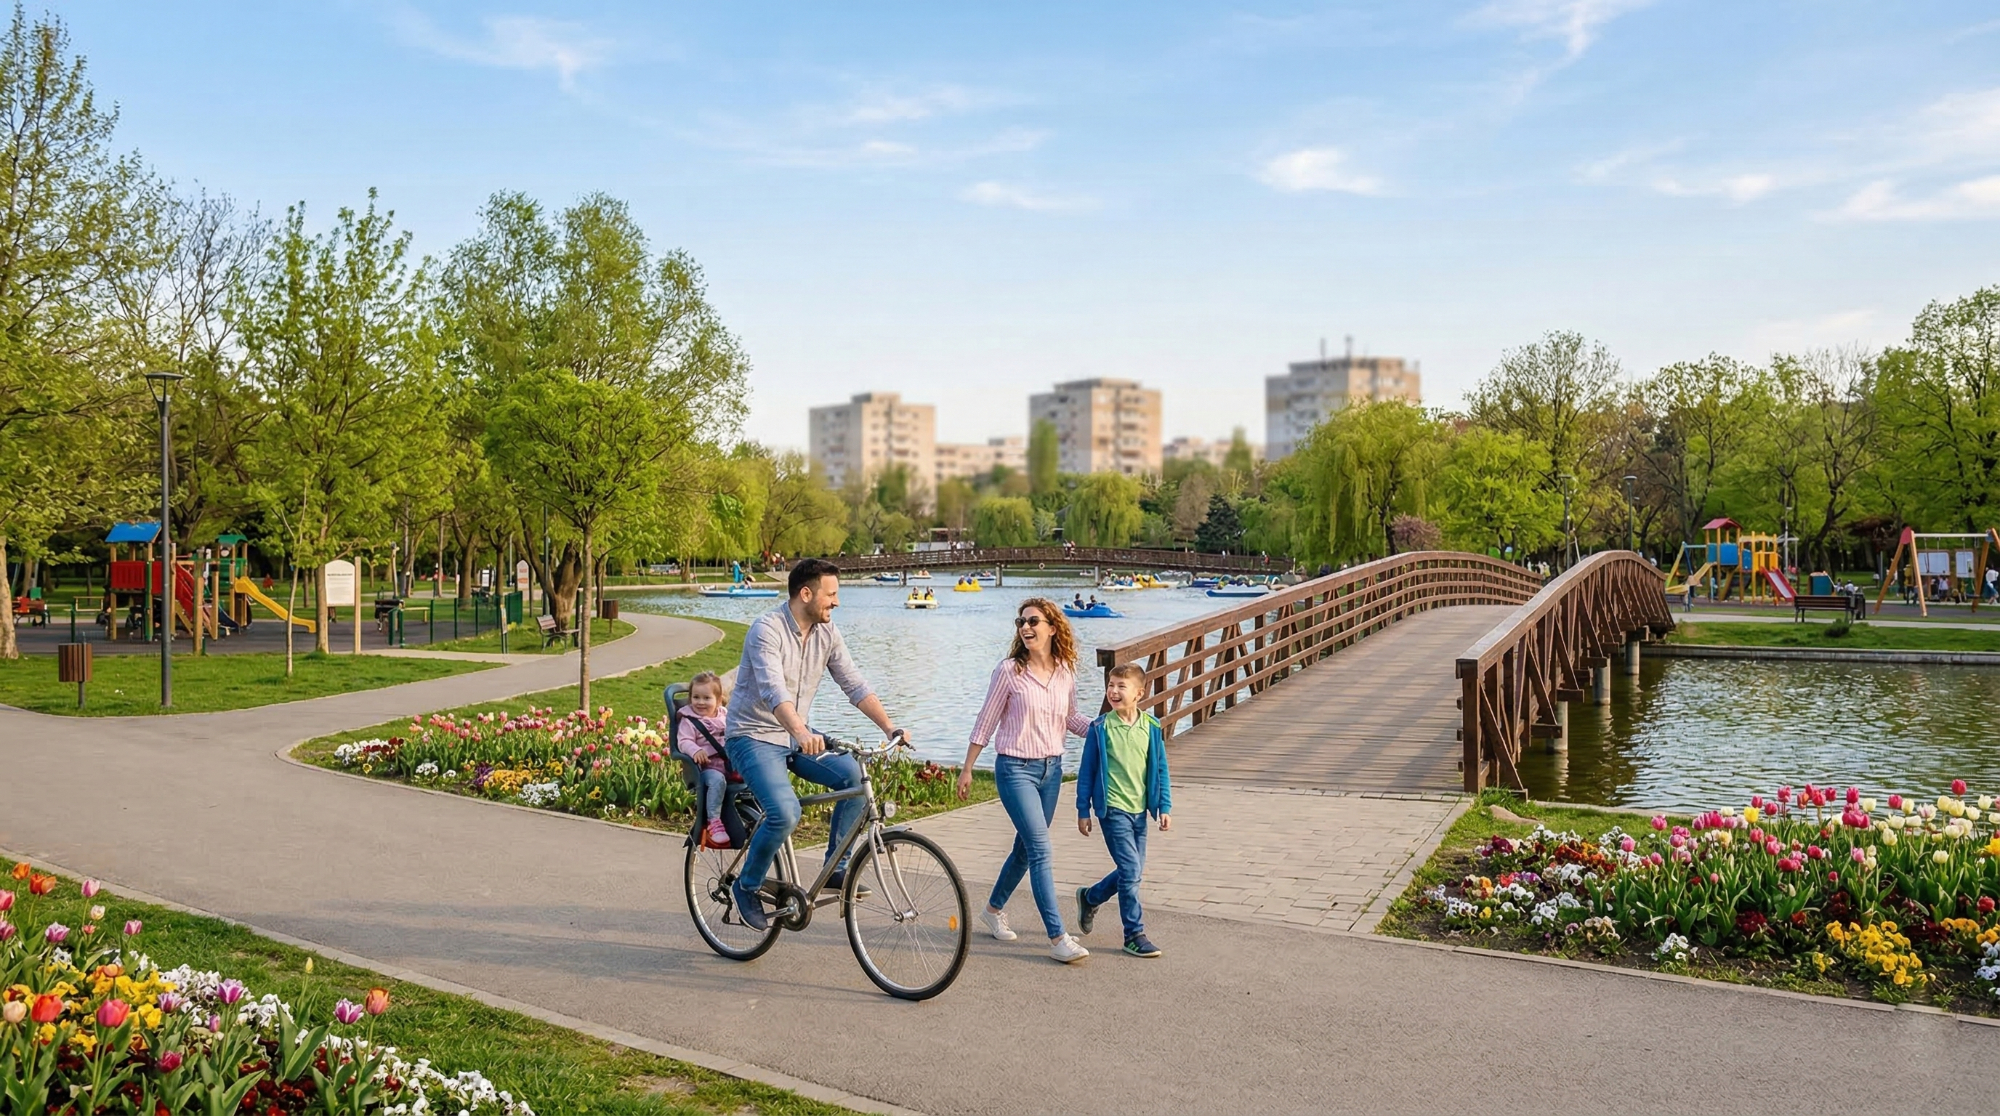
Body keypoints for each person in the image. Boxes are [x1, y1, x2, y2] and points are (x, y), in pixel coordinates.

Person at [725, 558, 908, 931]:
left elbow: (854, 684)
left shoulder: (827, 633)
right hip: (753, 736)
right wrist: (801, 731)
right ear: (805, 594)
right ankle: (747, 886)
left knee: (855, 778)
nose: (836, 602)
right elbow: (773, 691)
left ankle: (836, 870)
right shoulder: (767, 630)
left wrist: (892, 728)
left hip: (796, 734)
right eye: (831, 594)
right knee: (786, 812)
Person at [958, 597, 1094, 964]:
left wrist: (1102, 729)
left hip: (1052, 772)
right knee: (1040, 849)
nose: (1025, 628)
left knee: (1024, 849)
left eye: (1034, 621)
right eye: (1021, 622)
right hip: (1014, 769)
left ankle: (992, 909)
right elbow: (986, 720)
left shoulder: (1065, 670)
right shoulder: (1009, 671)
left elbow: (1070, 718)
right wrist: (968, 767)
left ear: (1053, 627)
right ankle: (1057, 937)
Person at [1075, 662, 1172, 958]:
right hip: (1113, 809)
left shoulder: (1151, 728)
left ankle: (1091, 897)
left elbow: (1161, 769)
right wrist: (1083, 809)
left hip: (1140, 812)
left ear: (1139, 693)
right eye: (1111, 685)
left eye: (1121, 686)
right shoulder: (1100, 728)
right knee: (1131, 871)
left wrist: (1164, 805)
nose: (1114, 691)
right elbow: (1087, 771)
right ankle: (1134, 934)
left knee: (1132, 872)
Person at [676, 671, 734, 849]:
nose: (700, 702)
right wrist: (695, 750)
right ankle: (713, 821)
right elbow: (684, 740)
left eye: (706, 698)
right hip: (707, 767)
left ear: (718, 700)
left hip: (728, 763)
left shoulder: (724, 716)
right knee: (717, 781)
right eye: (696, 697)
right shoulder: (690, 721)